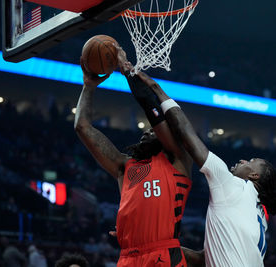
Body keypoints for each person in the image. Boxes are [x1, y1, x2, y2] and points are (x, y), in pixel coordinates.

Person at [127, 52, 276, 266]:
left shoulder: (234, 187)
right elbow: (204, 259)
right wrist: (153, 244)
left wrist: (155, 88)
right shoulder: (259, 217)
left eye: (251, 160)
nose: (243, 160)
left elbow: (186, 133)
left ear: (255, 175)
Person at [74, 46, 192, 266]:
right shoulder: (124, 166)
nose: (147, 130)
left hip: (163, 255)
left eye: (153, 130)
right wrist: (88, 87)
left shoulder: (178, 159)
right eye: (146, 129)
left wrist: (128, 71)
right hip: (128, 257)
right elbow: (82, 127)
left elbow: (153, 113)